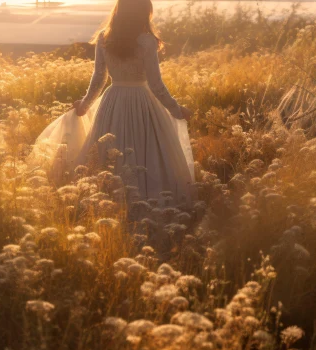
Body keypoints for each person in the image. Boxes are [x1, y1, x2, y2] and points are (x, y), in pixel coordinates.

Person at [29, 0, 195, 203]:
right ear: (143, 12)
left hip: (113, 100)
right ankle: (146, 198)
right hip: (143, 102)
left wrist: (85, 105)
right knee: (146, 151)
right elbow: (156, 85)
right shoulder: (146, 41)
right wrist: (176, 109)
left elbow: (99, 78)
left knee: (108, 148)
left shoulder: (105, 38)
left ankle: (106, 196)